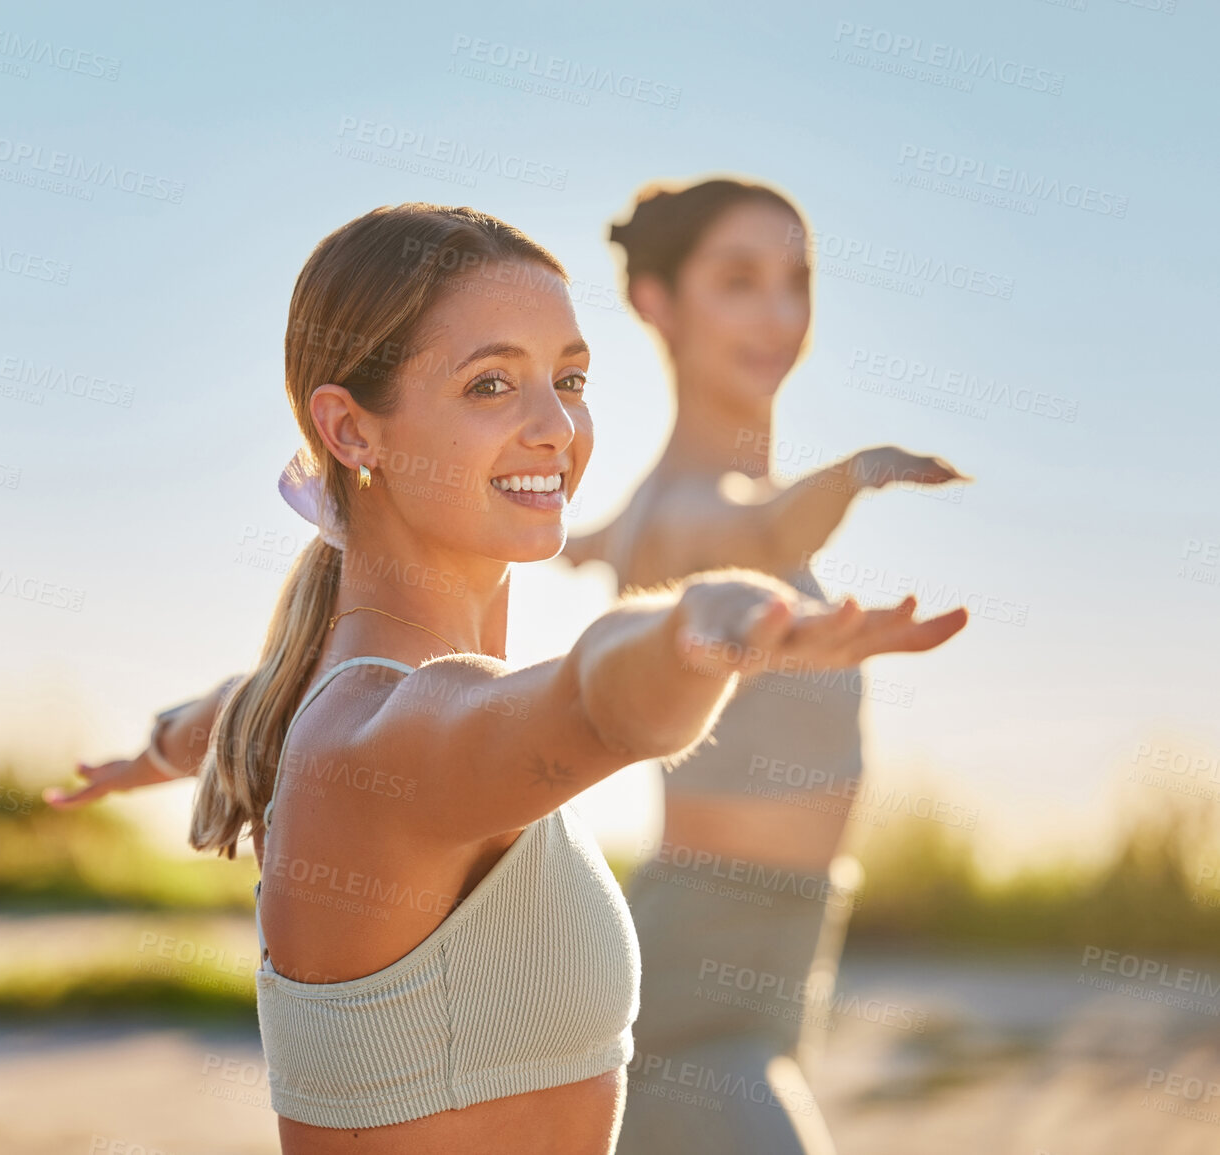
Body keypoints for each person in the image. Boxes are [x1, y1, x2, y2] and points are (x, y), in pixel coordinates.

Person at [51, 202, 966, 1154]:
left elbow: (239, 710)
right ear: (352, 432)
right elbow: (594, 696)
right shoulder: (389, 736)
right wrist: (704, 626)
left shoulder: (313, 708)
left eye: (569, 379)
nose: (556, 426)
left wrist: (157, 747)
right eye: (491, 383)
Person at [561, 176, 970, 1154]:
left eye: (797, 281)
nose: (778, 313)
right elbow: (759, 521)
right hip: (695, 990)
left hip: (774, 974)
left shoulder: (644, 514)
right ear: (655, 303)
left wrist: (573, 544)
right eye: (738, 280)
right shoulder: (694, 514)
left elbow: (599, 537)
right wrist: (857, 472)